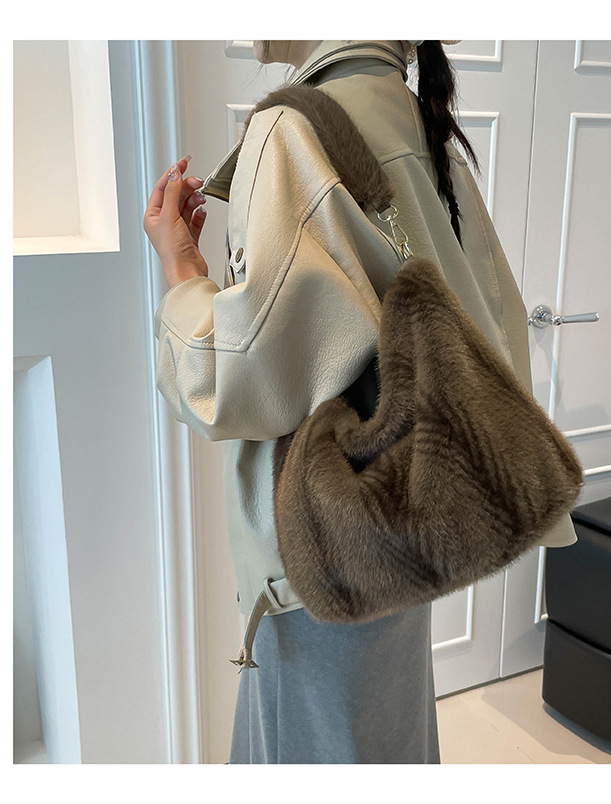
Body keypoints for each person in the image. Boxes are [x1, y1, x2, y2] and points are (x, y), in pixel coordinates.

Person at [144, 39, 578, 765]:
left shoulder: (292, 130)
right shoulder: (417, 116)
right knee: (386, 743)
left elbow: (234, 382)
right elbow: (492, 324)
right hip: (400, 518)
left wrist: (182, 267)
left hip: (325, 550)